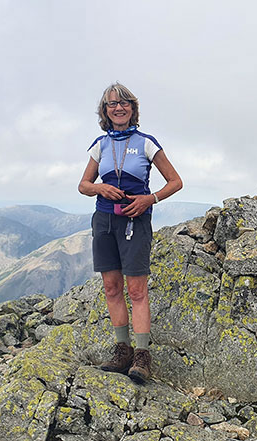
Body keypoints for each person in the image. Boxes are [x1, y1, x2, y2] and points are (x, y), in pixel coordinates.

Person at [78, 83, 182, 384]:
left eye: (124, 103)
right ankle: (121, 350)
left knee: (136, 290)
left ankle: (141, 355)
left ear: (133, 109)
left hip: (135, 221)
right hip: (104, 221)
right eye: (112, 104)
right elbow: (83, 185)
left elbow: (175, 181)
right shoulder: (99, 144)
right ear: (105, 111)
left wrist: (151, 199)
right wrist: (99, 187)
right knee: (111, 287)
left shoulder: (147, 143)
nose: (118, 108)